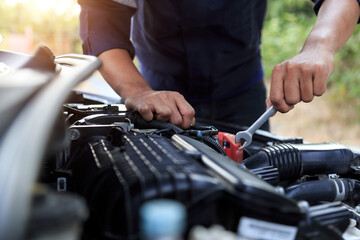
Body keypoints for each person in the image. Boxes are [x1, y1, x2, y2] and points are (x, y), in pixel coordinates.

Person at [78, 0, 360, 130]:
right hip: (159, 102)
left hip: (243, 97)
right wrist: (137, 91)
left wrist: (319, 46)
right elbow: (103, 22)